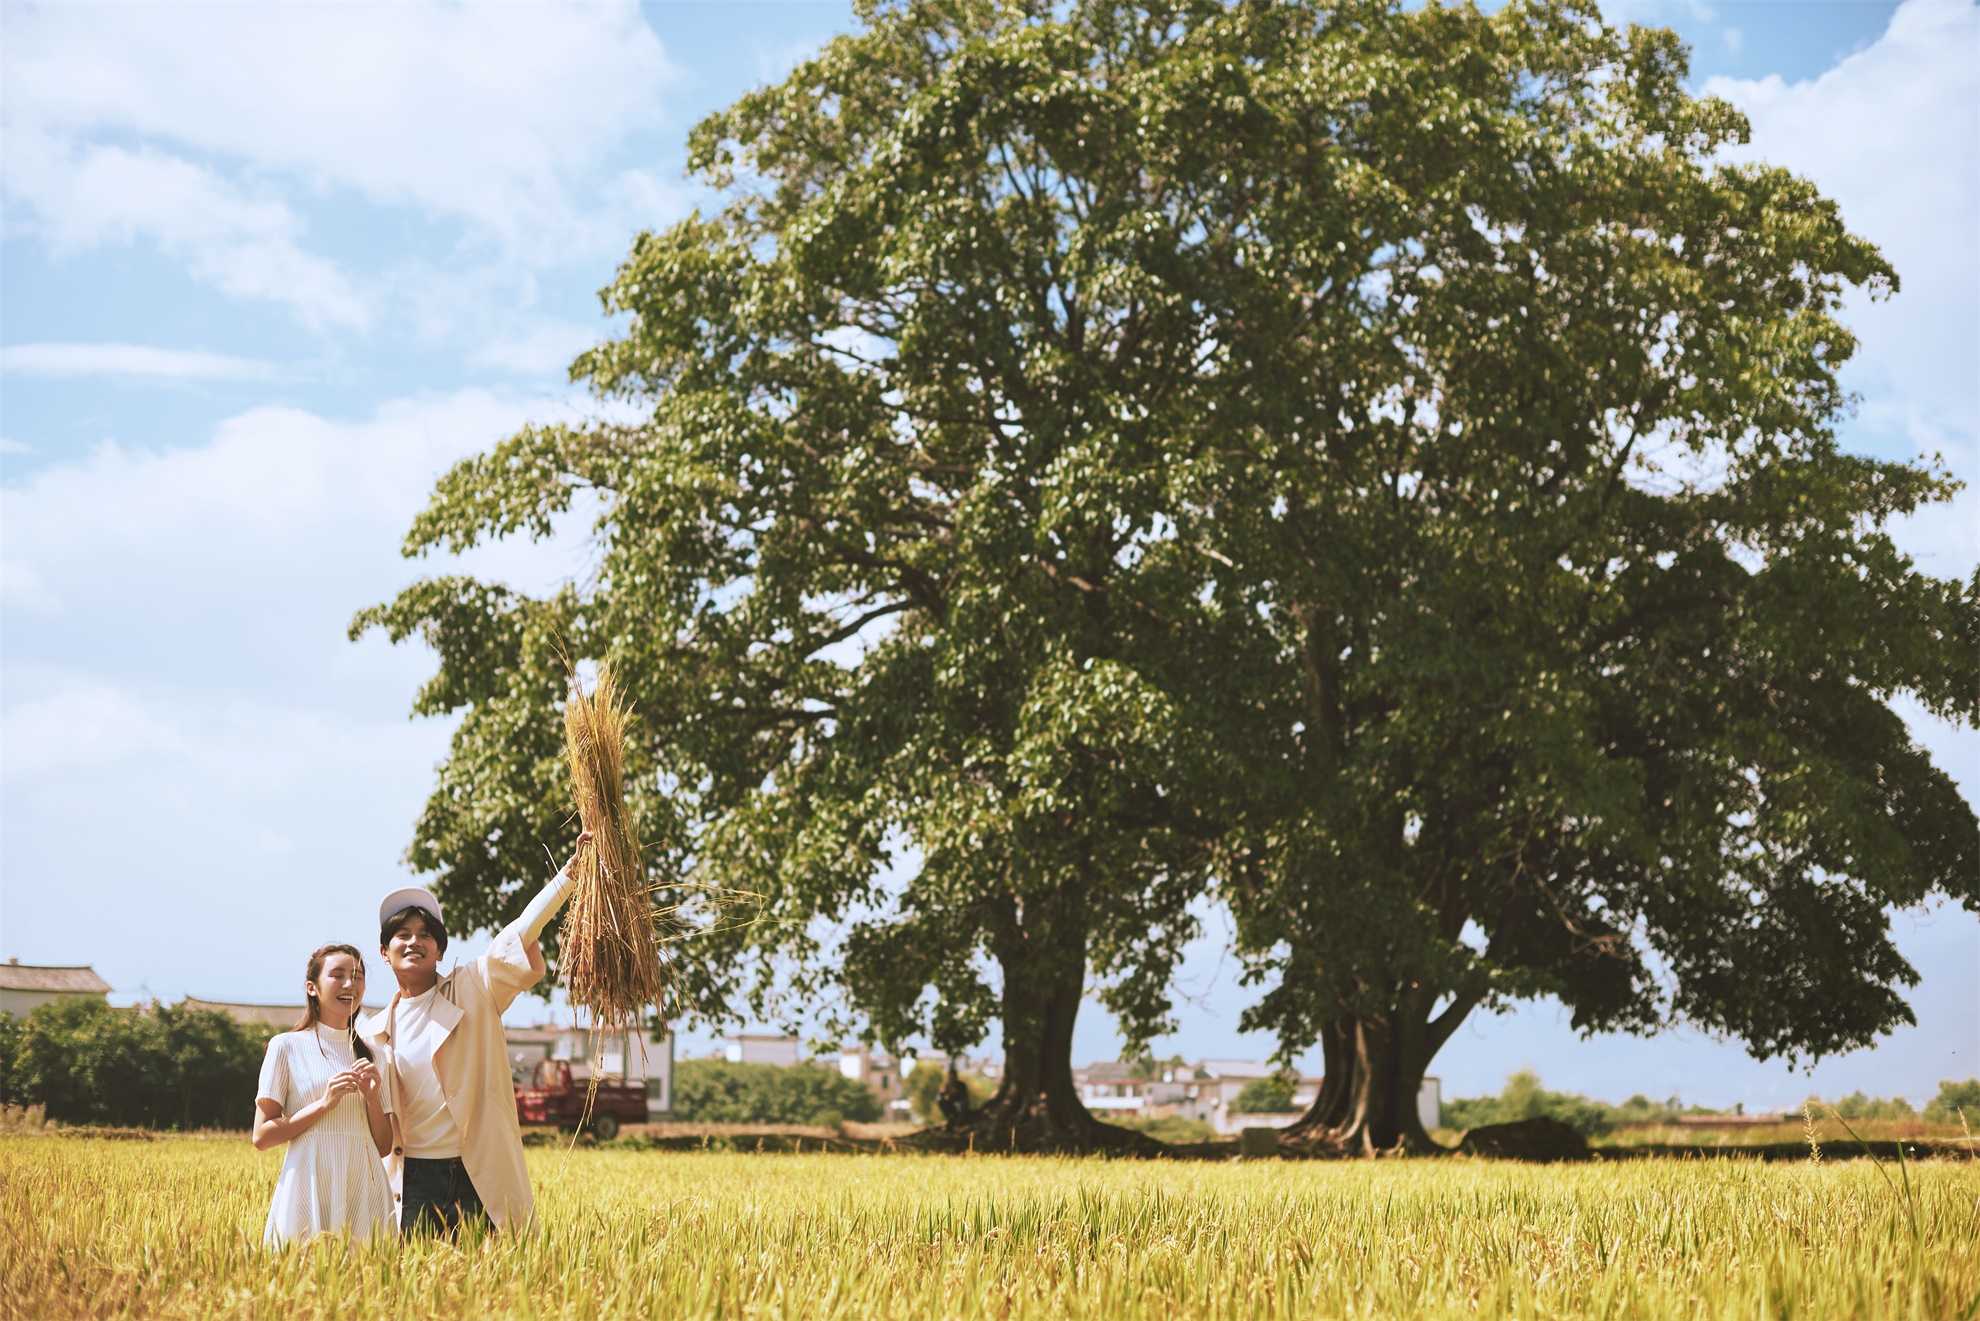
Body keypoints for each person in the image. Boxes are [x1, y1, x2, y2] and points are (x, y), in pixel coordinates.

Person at [360, 832, 589, 1236]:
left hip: (476, 1171)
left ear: (440, 951)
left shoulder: (473, 987)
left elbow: (518, 935)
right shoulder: (372, 1031)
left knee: (495, 1271)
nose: (414, 942)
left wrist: (567, 878)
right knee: (416, 1275)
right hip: (414, 1179)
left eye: (426, 935)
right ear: (384, 952)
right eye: (403, 935)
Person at [252, 943, 397, 1247]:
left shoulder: (376, 1055)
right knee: (299, 1271)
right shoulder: (285, 1046)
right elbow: (262, 1137)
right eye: (338, 975)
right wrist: (323, 1104)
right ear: (312, 987)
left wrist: (372, 1099)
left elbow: (384, 1147)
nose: (349, 984)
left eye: (357, 976)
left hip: (364, 1187)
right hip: (308, 1183)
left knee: (369, 1273)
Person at [937, 1059, 972, 1125]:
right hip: (952, 1105)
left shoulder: (961, 1085)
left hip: (961, 1105)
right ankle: (950, 1118)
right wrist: (943, 1091)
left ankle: (959, 1121)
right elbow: (941, 1096)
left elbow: (961, 1097)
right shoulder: (948, 1085)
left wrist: (952, 1089)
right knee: (940, 1101)